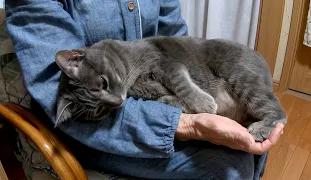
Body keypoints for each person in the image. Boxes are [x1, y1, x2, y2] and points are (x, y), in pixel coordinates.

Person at [5, 0, 284, 179]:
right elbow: (53, 89)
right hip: (98, 131)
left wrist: (197, 86)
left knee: (246, 143)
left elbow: (175, 38)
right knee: (230, 170)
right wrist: (188, 124)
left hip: (159, 93)